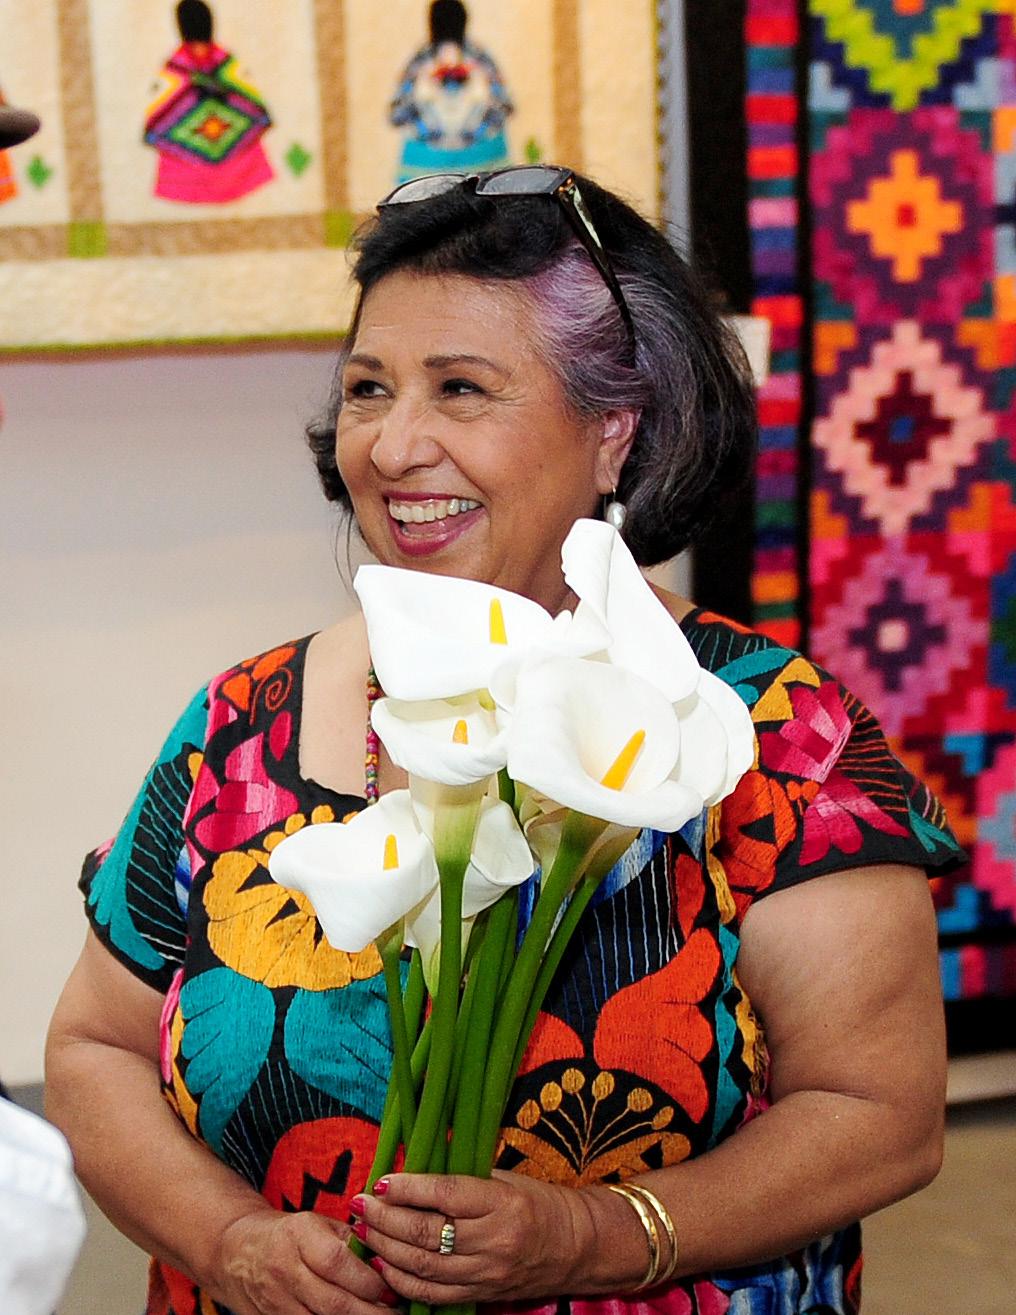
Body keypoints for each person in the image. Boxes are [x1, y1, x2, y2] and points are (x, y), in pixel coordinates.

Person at [46, 165, 961, 1315]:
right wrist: (230, 1243)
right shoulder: (238, 723)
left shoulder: (769, 733)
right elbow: (95, 1050)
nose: (391, 446)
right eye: (369, 388)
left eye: (460, 389)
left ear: (613, 432)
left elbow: (880, 1114)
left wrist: (592, 1236)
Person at [390, 0, 512, 184]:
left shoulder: (421, 60)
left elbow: (397, 111)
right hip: (438, 163)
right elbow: (504, 104)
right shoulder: (479, 58)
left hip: (450, 161)